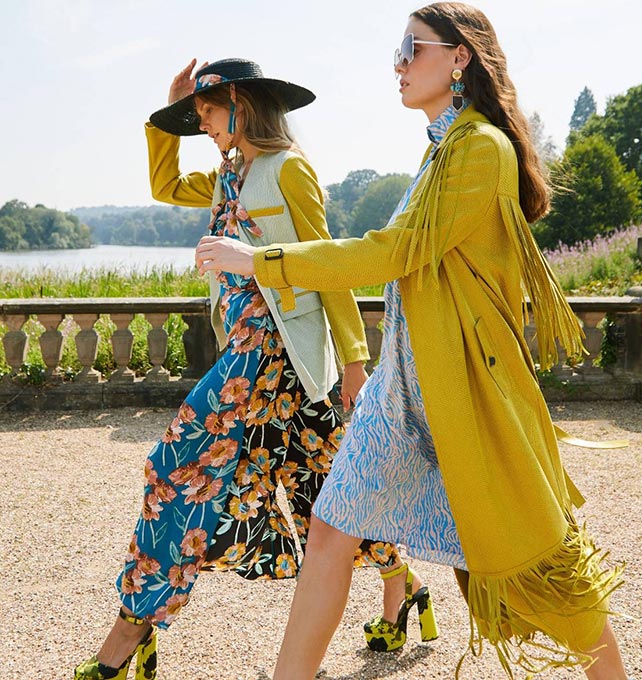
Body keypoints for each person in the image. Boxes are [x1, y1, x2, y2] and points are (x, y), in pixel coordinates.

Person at [196, 4, 633, 679]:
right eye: (398, 50)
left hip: (461, 395)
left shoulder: (481, 147)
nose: (397, 63)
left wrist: (262, 261)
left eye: (411, 48)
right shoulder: (442, 148)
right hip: (400, 393)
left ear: (460, 57)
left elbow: (395, 251)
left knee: (545, 567)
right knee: (329, 530)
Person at [74, 58, 427, 680]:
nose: (203, 124)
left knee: (175, 466)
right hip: (255, 362)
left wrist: (353, 361)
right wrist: (168, 113)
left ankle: (129, 634)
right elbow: (162, 186)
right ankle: (406, 588)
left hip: (272, 358)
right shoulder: (224, 178)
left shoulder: (287, 169)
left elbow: (328, 267)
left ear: (240, 103)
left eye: (207, 112)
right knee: (329, 491)